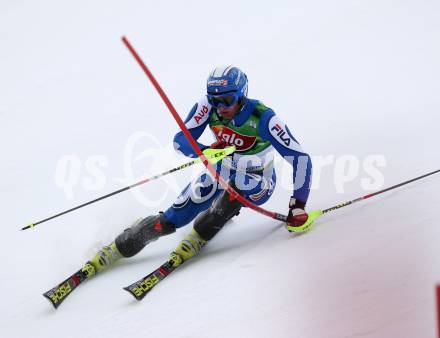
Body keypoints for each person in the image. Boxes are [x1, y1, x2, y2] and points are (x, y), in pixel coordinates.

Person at [80, 66, 313, 278]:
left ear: (242, 95)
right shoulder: (206, 106)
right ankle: (123, 244)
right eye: (215, 101)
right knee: (172, 218)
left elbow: (300, 159)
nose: (221, 108)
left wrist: (298, 204)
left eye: (227, 100)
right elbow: (181, 141)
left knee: (233, 196)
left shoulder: (263, 118)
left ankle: (206, 227)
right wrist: (204, 151)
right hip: (220, 171)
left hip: (257, 180)